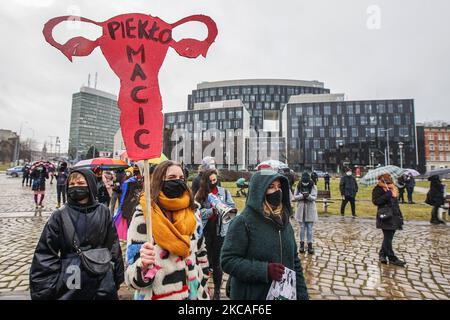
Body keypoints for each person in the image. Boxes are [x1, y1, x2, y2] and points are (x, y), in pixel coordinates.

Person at [29, 169, 124, 299]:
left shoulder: (103, 211)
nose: (76, 187)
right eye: (72, 184)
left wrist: (115, 276)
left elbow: (113, 245)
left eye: (80, 183)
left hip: (101, 278)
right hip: (71, 279)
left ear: (90, 184)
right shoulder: (60, 215)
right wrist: (45, 289)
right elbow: (45, 254)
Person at [125, 161, 210, 300]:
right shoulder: (144, 216)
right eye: (171, 178)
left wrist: (204, 282)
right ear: (159, 181)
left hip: (194, 294)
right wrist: (143, 266)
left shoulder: (193, 212)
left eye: (181, 178)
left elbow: (201, 252)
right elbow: (130, 277)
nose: (178, 181)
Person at [221, 169, 309, 300]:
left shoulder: (284, 220)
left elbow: (294, 260)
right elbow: (228, 261)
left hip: (283, 295)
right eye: (271, 187)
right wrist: (264, 270)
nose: (277, 191)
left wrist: (302, 295)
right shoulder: (243, 222)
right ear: (259, 191)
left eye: (279, 187)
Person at [195, 169, 236, 300]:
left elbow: (232, 206)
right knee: (205, 261)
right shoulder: (200, 194)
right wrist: (211, 210)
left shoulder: (224, 192)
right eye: (211, 180)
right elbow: (197, 213)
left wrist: (222, 207)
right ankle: (203, 288)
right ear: (206, 181)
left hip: (220, 232)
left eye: (215, 180)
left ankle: (217, 291)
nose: (213, 182)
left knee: (218, 263)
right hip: (206, 231)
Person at [372, 173, 406, 267]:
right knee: (388, 237)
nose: (388, 181)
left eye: (389, 179)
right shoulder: (377, 189)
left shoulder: (393, 188)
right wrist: (387, 195)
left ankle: (382, 254)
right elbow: (376, 201)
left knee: (389, 237)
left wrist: (391, 192)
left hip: (394, 215)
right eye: (385, 180)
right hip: (385, 215)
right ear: (381, 180)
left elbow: (395, 202)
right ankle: (392, 258)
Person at [294, 172, 318, 255]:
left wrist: (308, 196)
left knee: (310, 228)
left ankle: (310, 245)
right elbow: (295, 197)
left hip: (310, 209)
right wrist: (301, 196)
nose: (305, 184)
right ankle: (301, 244)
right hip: (301, 209)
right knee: (302, 227)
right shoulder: (298, 185)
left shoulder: (313, 185)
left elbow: (314, 197)